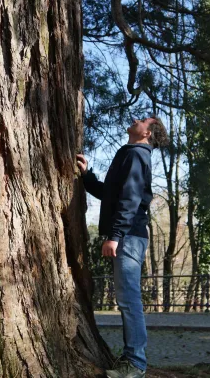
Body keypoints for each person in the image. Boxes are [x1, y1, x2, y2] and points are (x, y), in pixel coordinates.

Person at [77, 116, 169, 378]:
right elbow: (113, 194)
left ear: (148, 134)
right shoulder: (131, 153)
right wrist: (87, 176)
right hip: (128, 235)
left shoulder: (138, 154)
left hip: (128, 236)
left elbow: (130, 199)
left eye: (143, 120)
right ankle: (132, 359)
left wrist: (115, 235)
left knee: (129, 301)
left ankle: (136, 364)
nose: (135, 119)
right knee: (127, 300)